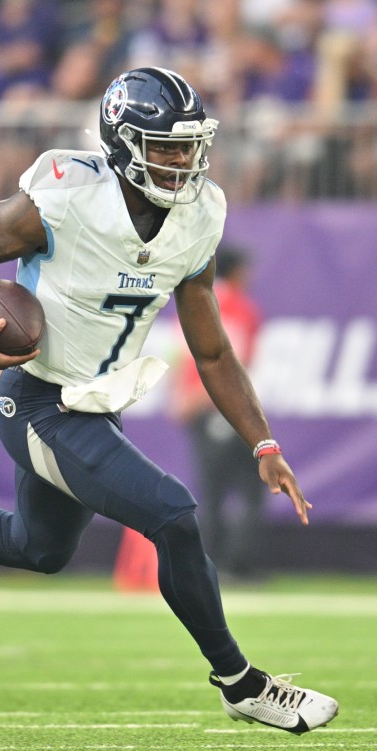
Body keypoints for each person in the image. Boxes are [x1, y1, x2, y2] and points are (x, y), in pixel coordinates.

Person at [0, 66, 338, 734]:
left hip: (93, 403)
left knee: (38, 546)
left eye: (189, 146)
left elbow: (214, 351)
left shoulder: (199, 218)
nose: (182, 160)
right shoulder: (67, 196)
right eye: (165, 145)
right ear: (122, 141)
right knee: (173, 514)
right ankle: (240, 682)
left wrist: (264, 442)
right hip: (34, 402)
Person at [171, 244, 265, 582]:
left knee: (210, 491)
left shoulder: (193, 300)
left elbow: (179, 355)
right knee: (252, 490)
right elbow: (231, 363)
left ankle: (208, 564)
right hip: (225, 407)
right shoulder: (240, 308)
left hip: (197, 409)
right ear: (237, 272)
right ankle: (237, 564)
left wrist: (181, 398)